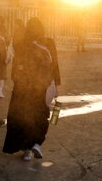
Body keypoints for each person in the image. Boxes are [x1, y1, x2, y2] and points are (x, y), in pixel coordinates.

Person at [3, 17, 61, 161]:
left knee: (22, 118)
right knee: (41, 115)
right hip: (42, 87)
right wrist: (56, 85)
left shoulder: (21, 44)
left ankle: (26, 150)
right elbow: (55, 65)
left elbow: (16, 68)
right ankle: (37, 143)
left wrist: (17, 82)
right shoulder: (49, 43)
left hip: (23, 89)